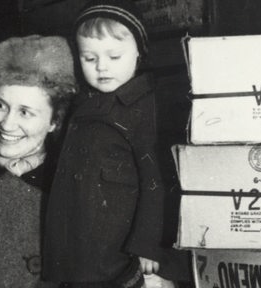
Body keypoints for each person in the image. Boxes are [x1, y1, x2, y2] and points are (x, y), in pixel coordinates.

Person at [43, 1, 189, 287]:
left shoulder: (144, 107)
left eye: (114, 56)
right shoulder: (81, 103)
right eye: (89, 58)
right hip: (78, 230)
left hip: (117, 242)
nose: (102, 67)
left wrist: (148, 244)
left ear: (138, 52)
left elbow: (154, 182)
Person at [0, 35, 77, 288]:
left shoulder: (67, 183)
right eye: (1, 105)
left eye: (25, 112)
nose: (7, 124)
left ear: (54, 122)